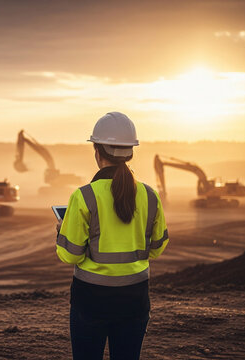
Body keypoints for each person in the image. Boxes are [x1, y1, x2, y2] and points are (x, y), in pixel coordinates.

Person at [55, 112, 169, 360]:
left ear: (97, 151)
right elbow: (157, 248)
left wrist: (62, 233)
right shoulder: (150, 195)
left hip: (91, 300)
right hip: (135, 298)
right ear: (130, 152)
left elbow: (69, 255)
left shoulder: (84, 196)